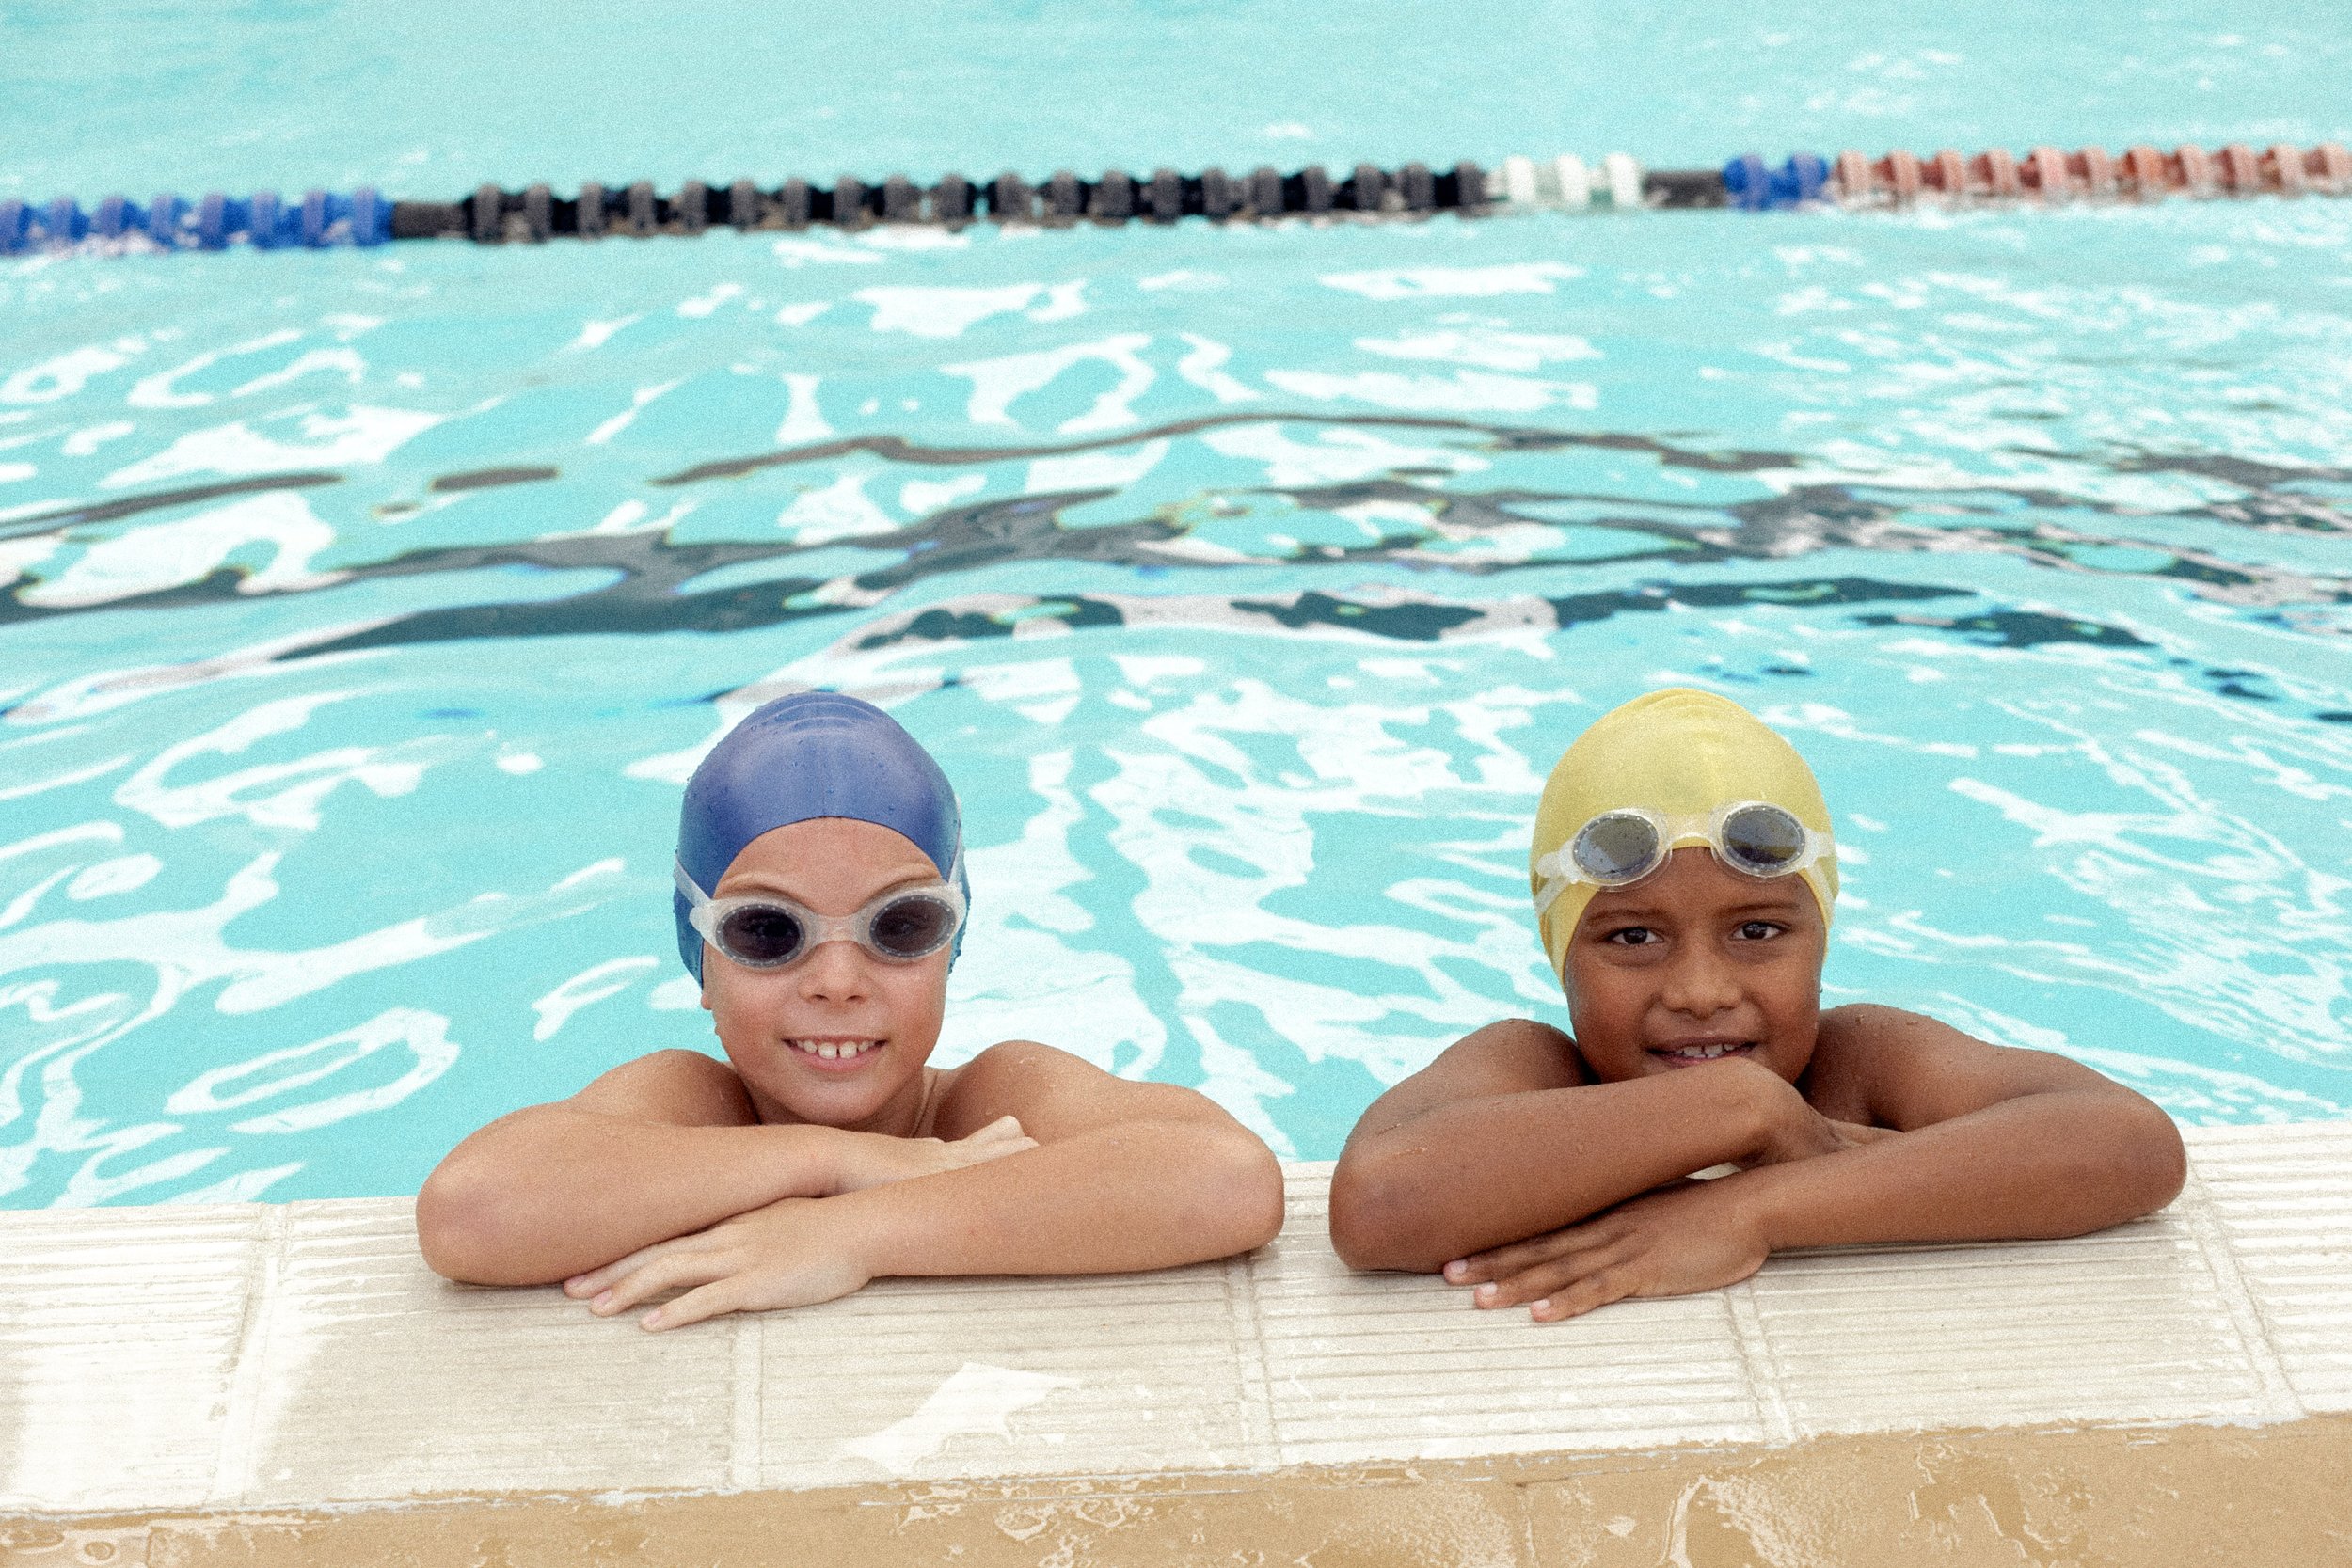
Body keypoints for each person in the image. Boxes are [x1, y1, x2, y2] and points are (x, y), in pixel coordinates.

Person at [418, 691, 1283, 1330]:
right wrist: (835, 1160)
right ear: (699, 956)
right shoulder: (690, 1105)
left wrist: (851, 1234)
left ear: (954, 940)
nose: (838, 980)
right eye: (767, 930)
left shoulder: (990, 1100)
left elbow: (1226, 1177)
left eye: (900, 925)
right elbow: (471, 1212)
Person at [1327, 688, 2185, 1322]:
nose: (1701, 991)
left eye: (1757, 930)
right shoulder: (1533, 1070)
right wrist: (1738, 1106)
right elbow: (1376, 1207)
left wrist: (1748, 1210)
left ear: (1822, 933)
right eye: (1632, 937)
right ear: (1561, 957)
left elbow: (2129, 1145)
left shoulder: (1861, 1061)